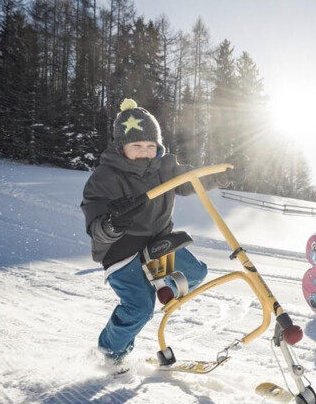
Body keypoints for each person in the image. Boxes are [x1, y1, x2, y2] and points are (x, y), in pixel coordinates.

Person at [80, 98, 232, 364]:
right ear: (121, 146)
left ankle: (161, 285)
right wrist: (113, 224)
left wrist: (220, 175)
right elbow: (95, 225)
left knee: (196, 273)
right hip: (121, 252)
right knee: (139, 308)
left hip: (158, 245)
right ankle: (109, 353)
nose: (144, 152)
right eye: (136, 145)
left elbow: (190, 180)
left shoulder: (165, 169)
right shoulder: (105, 177)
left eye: (150, 146)